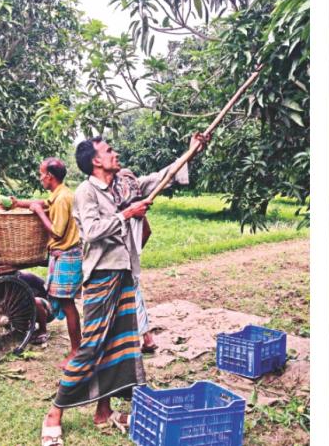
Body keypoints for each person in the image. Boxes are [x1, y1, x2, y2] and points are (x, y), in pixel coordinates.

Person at [40, 132, 209, 446]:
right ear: (95, 161)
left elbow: (164, 177)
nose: (115, 153)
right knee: (91, 347)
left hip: (125, 274)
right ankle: (54, 413)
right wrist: (126, 215)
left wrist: (192, 151)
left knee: (120, 345)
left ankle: (104, 411)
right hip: (101, 276)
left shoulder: (125, 184)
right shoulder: (86, 192)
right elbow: (90, 232)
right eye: (109, 150)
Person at [12, 158, 83, 368]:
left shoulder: (62, 199)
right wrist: (20, 204)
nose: (40, 177)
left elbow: (57, 231)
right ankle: (75, 347)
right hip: (62, 253)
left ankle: (76, 351)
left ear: (49, 176)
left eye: (41, 173)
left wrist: (39, 213)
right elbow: (42, 203)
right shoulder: (60, 194)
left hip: (68, 254)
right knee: (63, 301)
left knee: (68, 304)